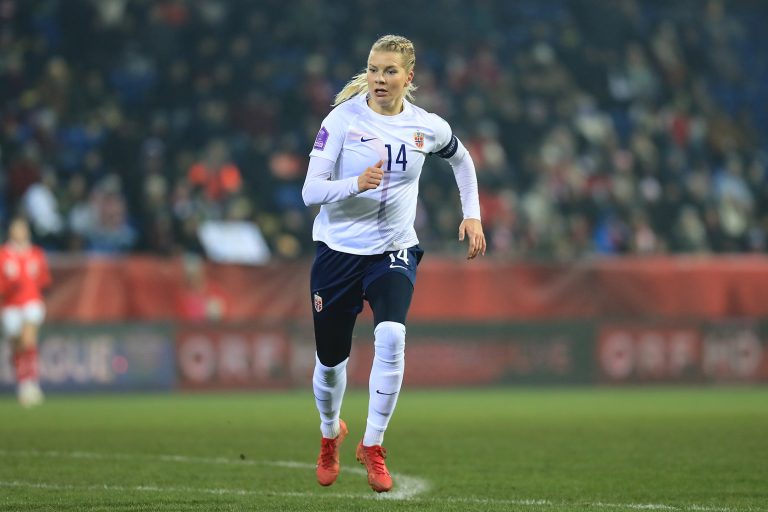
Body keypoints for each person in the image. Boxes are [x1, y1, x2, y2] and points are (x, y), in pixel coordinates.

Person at [302, 34, 486, 493]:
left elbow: (463, 162)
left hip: (394, 249)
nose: (379, 79)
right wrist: (354, 184)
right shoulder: (341, 121)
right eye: (373, 69)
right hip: (339, 253)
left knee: (391, 335)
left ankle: (374, 444)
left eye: (389, 71)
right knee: (330, 363)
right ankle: (330, 435)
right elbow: (310, 191)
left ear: (409, 77)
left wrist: (473, 215)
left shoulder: (426, 127)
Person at [0, 217, 52, 407]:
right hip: (10, 306)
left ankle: (32, 383)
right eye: (16, 229)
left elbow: (44, 280)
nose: (20, 233)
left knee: (28, 339)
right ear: (10, 232)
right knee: (16, 345)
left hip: (32, 302)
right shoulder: (3, 255)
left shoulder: (36, 254)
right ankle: (23, 381)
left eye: (22, 229)